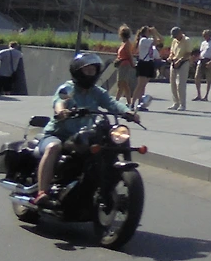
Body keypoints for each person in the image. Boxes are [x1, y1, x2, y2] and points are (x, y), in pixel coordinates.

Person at [33, 52, 139, 204]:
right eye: (87, 70)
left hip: (83, 135)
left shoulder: (96, 91)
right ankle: (42, 192)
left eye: (93, 70)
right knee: (53, 147)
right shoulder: (68, 88)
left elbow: (111, 103)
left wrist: (128, 112)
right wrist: (61, 111)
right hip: (59, 135)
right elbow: (59, 100)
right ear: (78, 72)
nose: (90, 73)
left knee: (105, 146)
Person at [131, 25, 162, 110]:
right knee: (140, 85)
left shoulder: (148, 40)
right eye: (149, 31)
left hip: (149, 63)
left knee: (143, 85)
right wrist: (154, 33)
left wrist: (156, 32)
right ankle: (132, 103)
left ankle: (140, 103)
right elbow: (155, 42)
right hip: (144, 63)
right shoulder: (143, 40)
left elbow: (161, 41)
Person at [166, 27, 192, 111]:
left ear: (180, 33)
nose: (175, 37)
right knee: (172, 83)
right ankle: (175, 103)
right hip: (174, 62)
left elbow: (188, 53)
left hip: (183, 62)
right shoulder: (174, 41)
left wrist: (180, 61)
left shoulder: (187, 40)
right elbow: (172, 52)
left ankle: (182, 104)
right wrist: (170, 57)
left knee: (180, 84)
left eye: (176, 35)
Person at [113, 26, 136, 103]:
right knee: (124, 84)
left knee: (121, 83)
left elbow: (129, 55)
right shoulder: (124, 43)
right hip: (121, 64)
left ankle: (116, 101)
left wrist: (132, 64)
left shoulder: (127, 44)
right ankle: (129, 102)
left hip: (125, 65)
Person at [193, 29, 211, 102]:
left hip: (209, 61)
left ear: (209, 35)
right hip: (201, 61)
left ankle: (206, 95)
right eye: (203, 35)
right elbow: (202, 52)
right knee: (197, 77)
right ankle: (198, 95)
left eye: (205, 35)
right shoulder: (203, 43)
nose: (204, 37)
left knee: (208, 79)